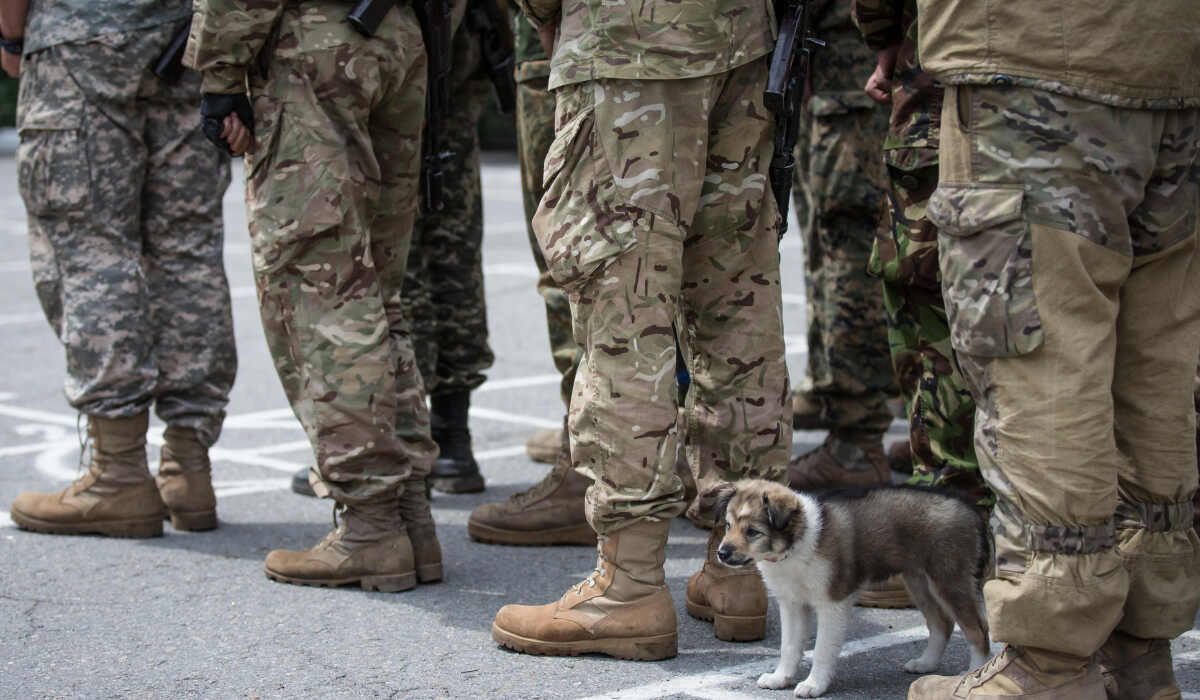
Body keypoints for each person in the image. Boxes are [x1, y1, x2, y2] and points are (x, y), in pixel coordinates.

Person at [908, 2, 1200, 696]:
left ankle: (1051, 664)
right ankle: (1135, 649)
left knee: (1037, 359)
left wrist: (884, 30)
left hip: (1030, 54)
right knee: (1156, 360)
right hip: (1177, 59)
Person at [492, 0, 792, 660]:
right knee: (736, 302)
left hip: (627, 38)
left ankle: (627, 589)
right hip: (744, 37)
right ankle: (737, 571)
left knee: (625, 303)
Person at [186, 0, 442, 592]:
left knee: (324, 292)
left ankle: (372, 528)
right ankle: (410, 517)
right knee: (376, 292)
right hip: (403, 37)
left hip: (316, 46)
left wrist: (222, 74)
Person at [5, 0, 237, 538]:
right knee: (188, 249)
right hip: (190, 41)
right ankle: (188, 468)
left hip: (84, 37)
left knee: (89, 245)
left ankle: (119, 473)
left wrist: (13, 38)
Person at [287, 2, 495, 498]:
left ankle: (403, 442)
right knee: (450, 227)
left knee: (398, 249)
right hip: (454, 28)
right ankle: (450, 436)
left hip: (391, 28)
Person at [850, 0, 990, 509]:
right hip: (1111, 100)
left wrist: (886, 41)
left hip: (947, 88)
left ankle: (953, 512)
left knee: (934, 307)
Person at [786, 0, 897, 493]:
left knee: (849, 248)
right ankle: (840, 399)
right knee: (827, 239)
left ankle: (857, 440)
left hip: (855, 63)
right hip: (845, 58)